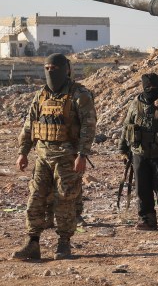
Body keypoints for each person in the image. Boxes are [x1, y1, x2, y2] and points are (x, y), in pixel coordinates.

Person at [12, 53, 96, 260]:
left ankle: (64, 243)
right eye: (47, 68)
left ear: (67, 69)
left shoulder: (80, 94)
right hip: (42, 157)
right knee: (35, 198)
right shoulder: (41, 95)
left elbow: (89, 126)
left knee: (65, 200)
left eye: (55, 68)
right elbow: (29, 125)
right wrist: (23, 153)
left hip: (67, 158)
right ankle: (32, 242)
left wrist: (82, 154)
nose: (51, 72)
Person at [118, 72, 158, 232]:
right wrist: (123, 149)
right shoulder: (135, 104)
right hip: (139, 152)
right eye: (149, 87)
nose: (152, 90)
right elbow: (126, 127)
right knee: (142, 189)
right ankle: (147, 220)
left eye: (155, 87)